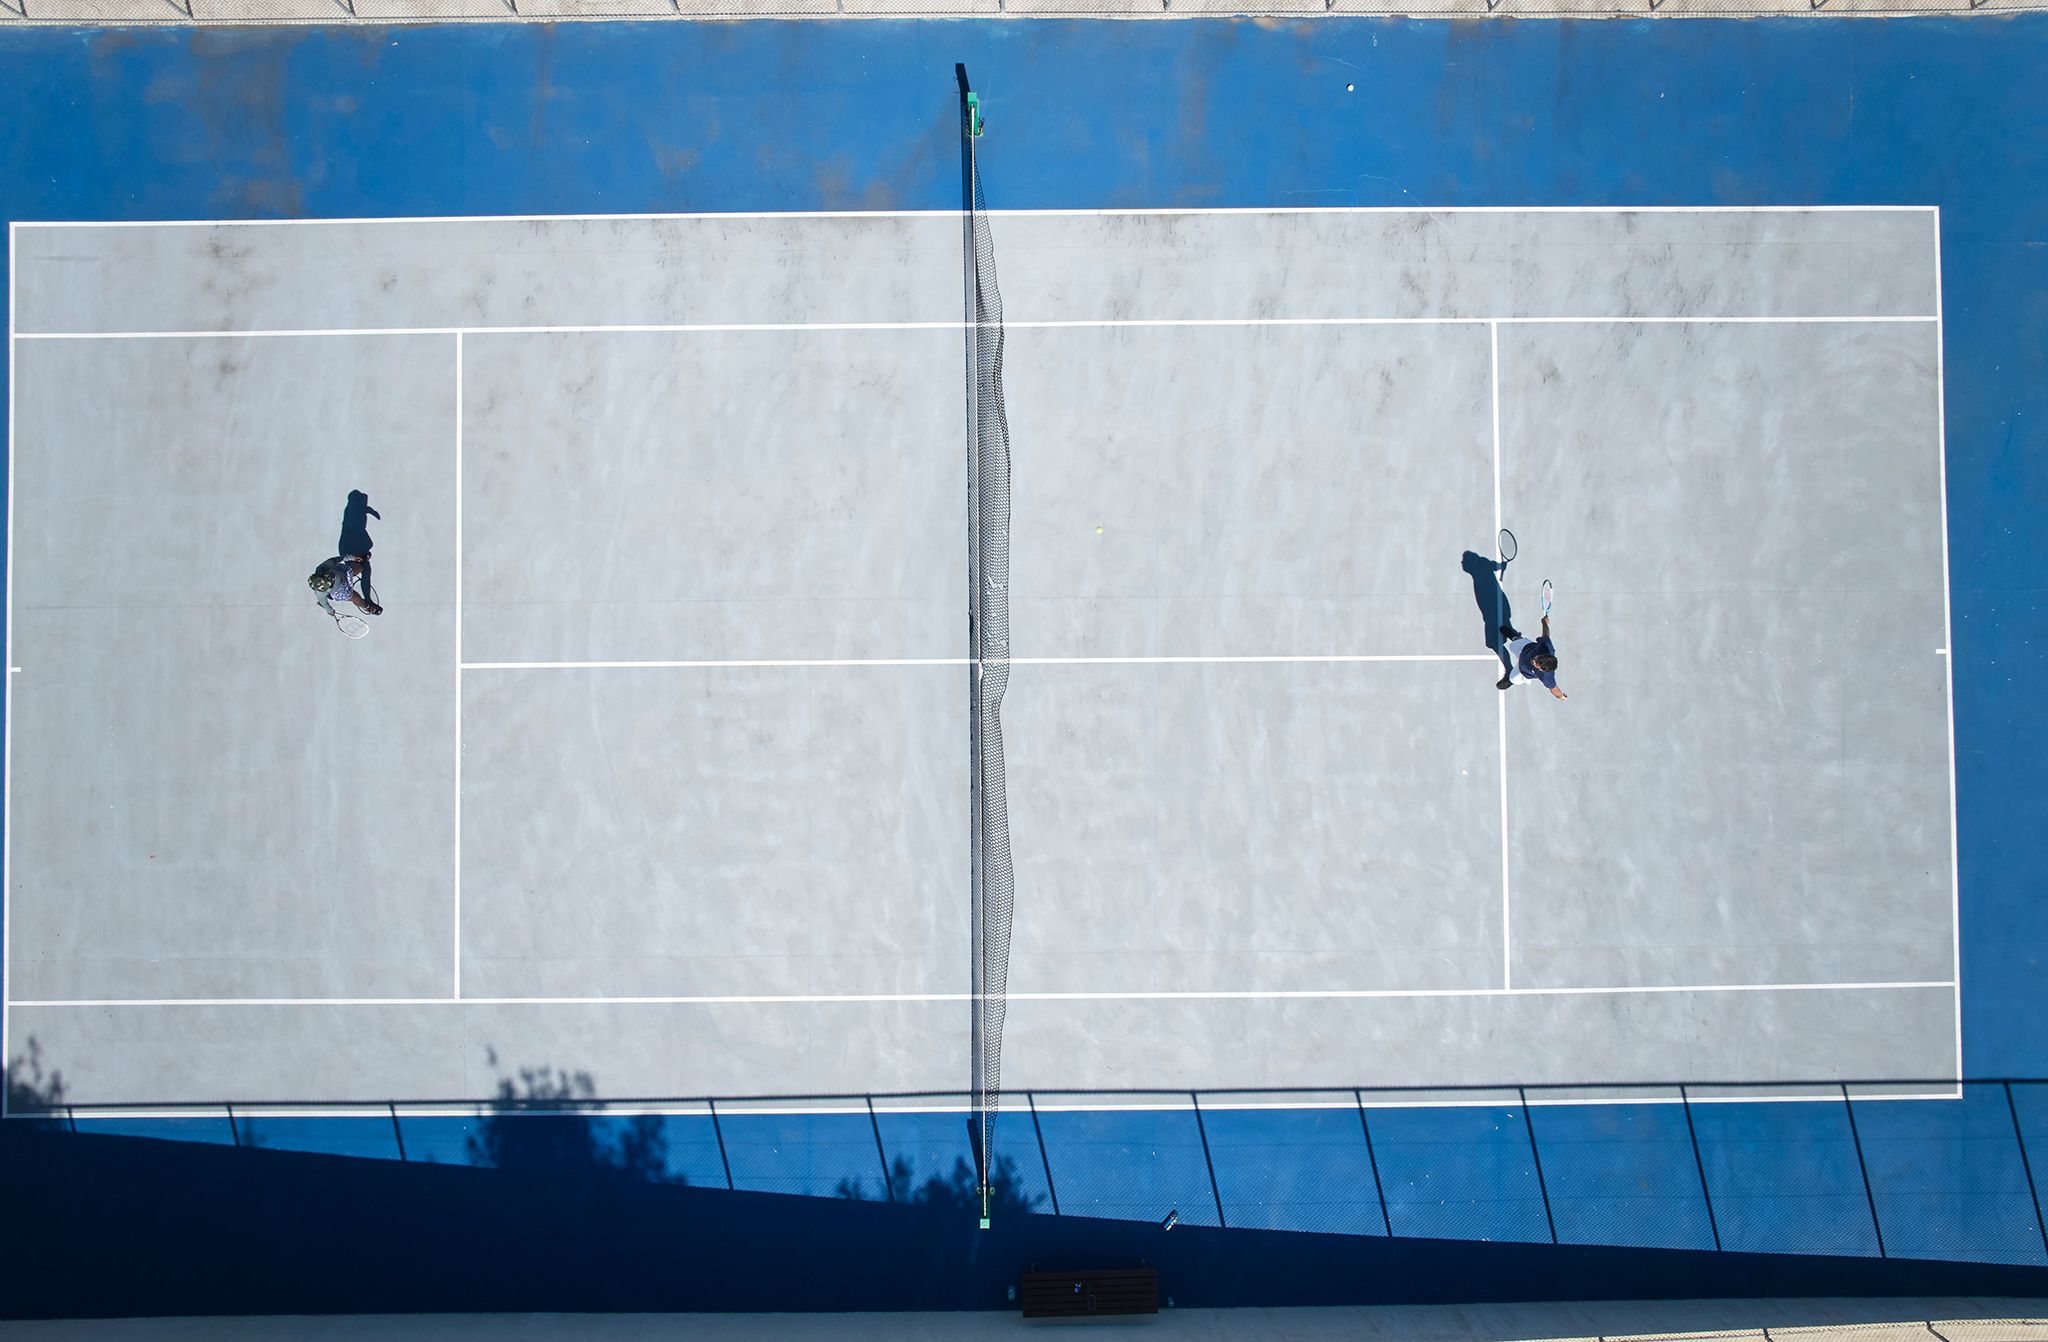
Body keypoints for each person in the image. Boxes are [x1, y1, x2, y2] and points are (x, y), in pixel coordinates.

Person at [1497, 613, 1565, 699]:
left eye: (1536, 663)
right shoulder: (1546, 645)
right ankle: (1515, 637)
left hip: (1522, 671)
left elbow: (1554, 689)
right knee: (1513, 645)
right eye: (1537, 658)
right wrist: (1544, 622)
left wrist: (1561, 696)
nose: (1533, 660)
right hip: (1525, 649)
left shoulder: (1547, 677)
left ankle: (1510, 680)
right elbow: (1546, 634)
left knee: (1513, 679)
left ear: (1541, 669)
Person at [308, 555, 382, 619]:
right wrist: (330, 611)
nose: (332, 581)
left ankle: (359, 561)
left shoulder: (323, 567)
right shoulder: (320, 594)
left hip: (342, 573)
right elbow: (324, 603)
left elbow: (338, 559)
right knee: (356, 598)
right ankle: (367, 607)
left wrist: (352, 557)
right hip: (340, 591)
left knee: (359, 567)